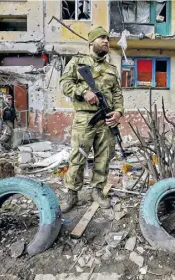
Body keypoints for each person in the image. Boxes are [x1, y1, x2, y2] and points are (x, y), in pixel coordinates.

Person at [59, 26, 124, 213]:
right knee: (78, 157)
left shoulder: (111, 68)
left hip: (106, 119)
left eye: (107, 38)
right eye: (102, 38)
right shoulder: (77, 62)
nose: (106, 41)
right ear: (91, 42)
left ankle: (97, 191)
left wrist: (118, 112)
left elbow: (117, 93)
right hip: (84, 119)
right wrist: (83, 91)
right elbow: (65, 84)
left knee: (103, 158)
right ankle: (72, 193)